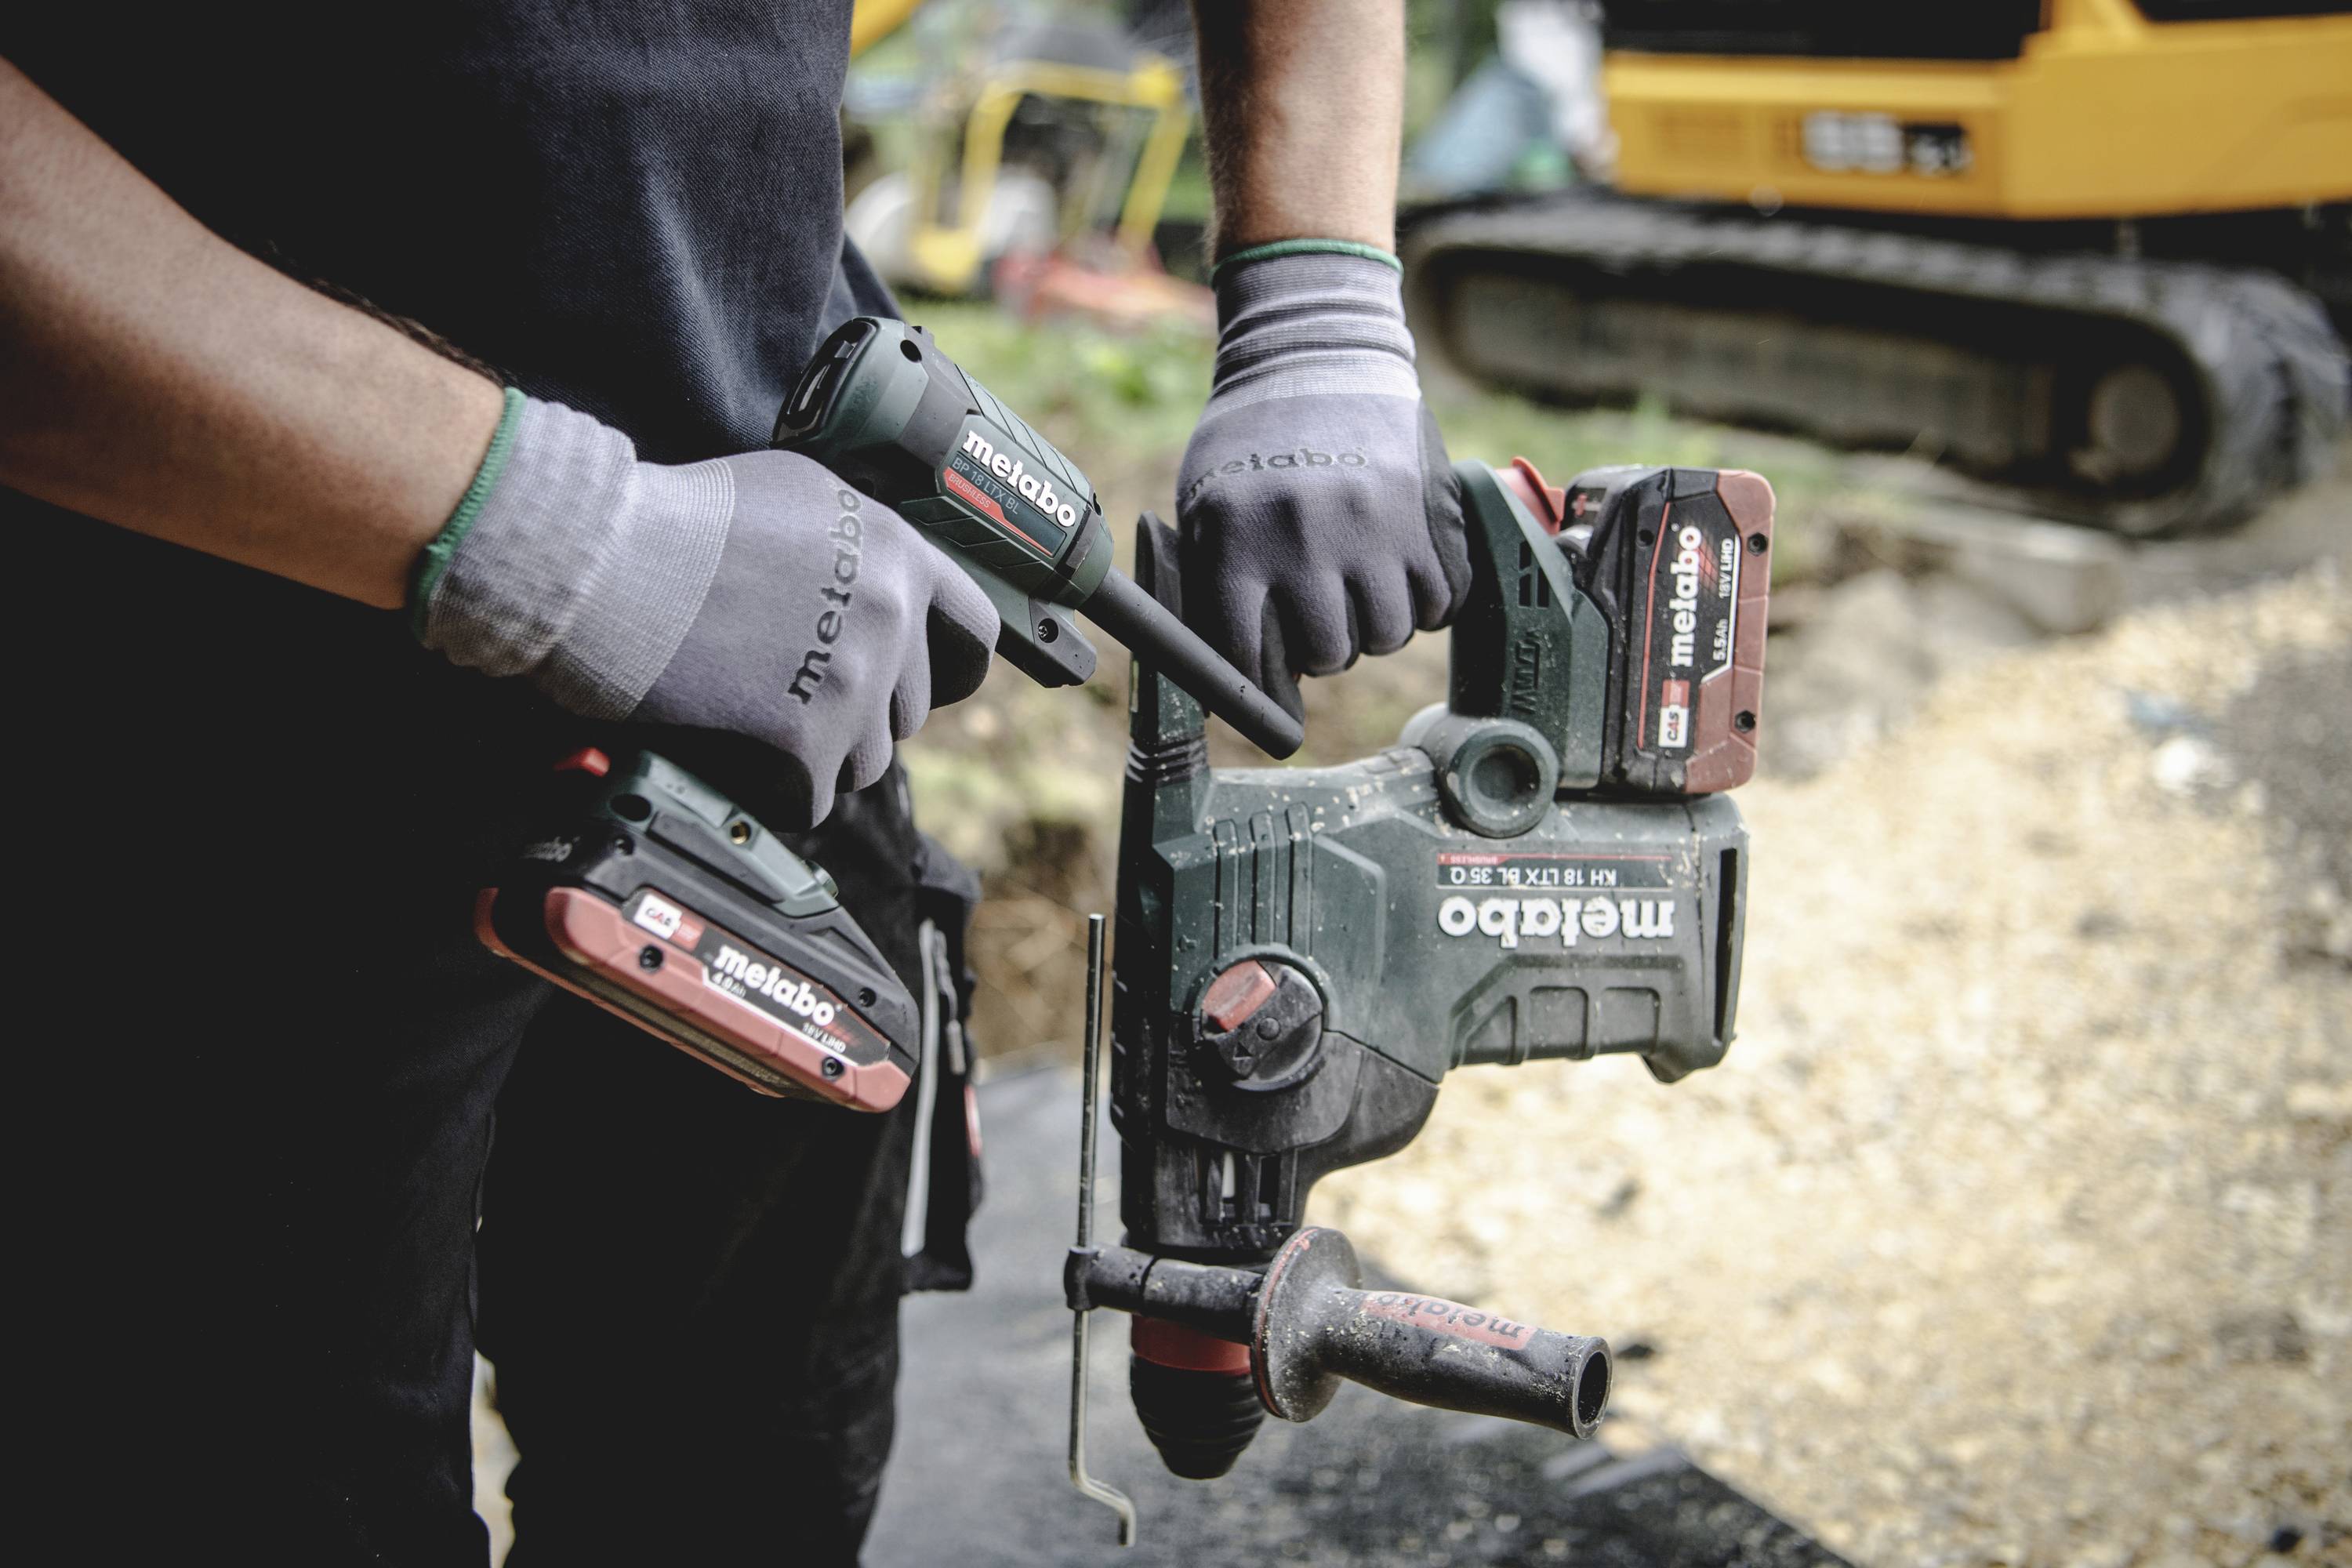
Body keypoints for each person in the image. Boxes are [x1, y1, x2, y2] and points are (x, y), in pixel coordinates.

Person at [0, 2, 1463, 1561]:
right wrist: (561, 536)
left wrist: (1319, 291)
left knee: (741, 1493)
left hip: (775, 696)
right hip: (181, 745)